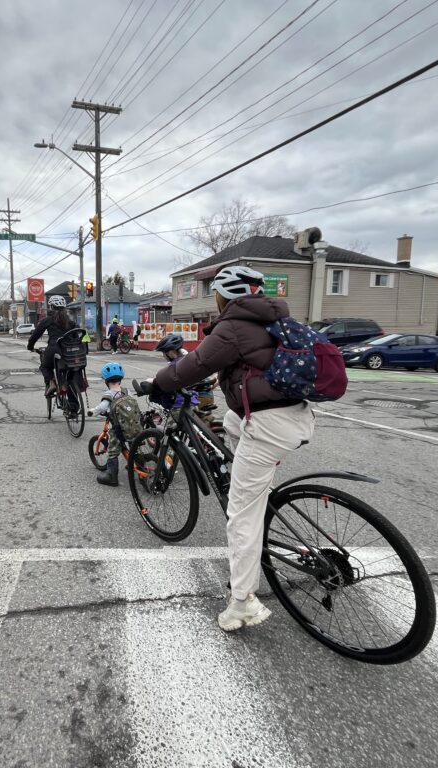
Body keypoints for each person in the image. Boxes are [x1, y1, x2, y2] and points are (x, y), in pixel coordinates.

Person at [147, 265, 316, 633]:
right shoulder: (271, 319)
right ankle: (246, 477)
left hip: (270, 425)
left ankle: (241, 604)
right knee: (230, 423)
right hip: (292, 416)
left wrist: (157, 384)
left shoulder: (233, 325)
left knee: (241, 517)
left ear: (225, 295)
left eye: (216, 294)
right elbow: (243, 364)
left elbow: (193, 364)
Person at [155, 333, 217, 426]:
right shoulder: (188, 360)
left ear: (171, 353)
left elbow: (168, 381)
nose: (163, 356)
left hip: (188, 401)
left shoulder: (177, 366)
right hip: (200, 397)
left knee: (169, 429)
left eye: (164, 353)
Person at [27, 296, 78, 396]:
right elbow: (76, 337)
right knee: (71, 377)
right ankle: (74, 407)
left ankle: (51, 382)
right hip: (69, 352)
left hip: (53, 350)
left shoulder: (47, 320)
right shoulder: (71, 323)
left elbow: (35, 336)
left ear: (51, 307)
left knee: (44, 366)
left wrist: (30, 346)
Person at [90, 361, 127, 486]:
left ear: (106, 381)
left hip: (119, 428)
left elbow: (102, 407)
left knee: (113, 449)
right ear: (120, 379)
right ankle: (137, 462)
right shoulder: (126, 391)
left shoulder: (109, 395)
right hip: (133, 425)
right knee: (133, 444)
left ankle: (111, 476)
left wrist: (92, 412)